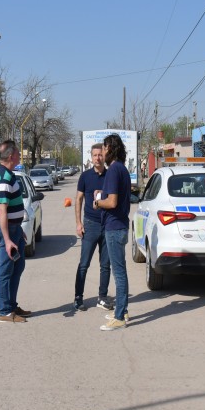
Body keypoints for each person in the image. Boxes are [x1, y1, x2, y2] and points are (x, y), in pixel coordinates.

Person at [0, 140, 32, 323]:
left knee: (18, 266)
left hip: (15, 229)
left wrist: (19, 230)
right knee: (6, 271)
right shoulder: (4, 178)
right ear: (10, 156)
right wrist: (7, 239)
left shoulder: (8, 174)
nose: (19, 156)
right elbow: (2, 210)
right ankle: (5, 311)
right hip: (8, 231)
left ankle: (12, 305)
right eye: (17, 153)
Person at [94, 133, 131, 331]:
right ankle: (123, 310)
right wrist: (101, 195)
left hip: (114, 227)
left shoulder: (114, 170)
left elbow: (112, 202)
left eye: (105, 148)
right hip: (119, 225)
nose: (103, 152)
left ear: (111, 148)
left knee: (118, 273)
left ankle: (119, 317)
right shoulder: (121, 169)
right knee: (121, 271)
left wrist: (98, 202)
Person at [72, 143, 111, 311]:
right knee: (84, 264)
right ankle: (78, 297)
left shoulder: (111, 176)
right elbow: (78, 199)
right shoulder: (85, 176)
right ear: (91, 157)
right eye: (95, 155)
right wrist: (79, 223)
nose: (98, 158)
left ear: (104, 156)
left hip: (107, 225)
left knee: (105, 265)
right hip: (90, 224)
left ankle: (102, 297)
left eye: (100, 155)